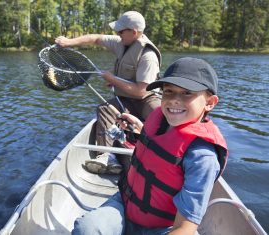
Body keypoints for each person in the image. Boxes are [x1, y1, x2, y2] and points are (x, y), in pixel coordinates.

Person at [71, 57, 229, 235]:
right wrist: (139, 129)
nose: (174, 100)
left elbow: (184, 228)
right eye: (168, 91)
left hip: (162, 227)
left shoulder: (203, 158)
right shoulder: (158, 120)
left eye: (187, 93)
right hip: (125, 205)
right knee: (86, 229)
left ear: (210, 103)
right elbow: (156, 150)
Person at [55, 11, 162, 174]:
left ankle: (164, 154)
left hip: (147, 98)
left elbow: (141, 91)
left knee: (162, 116)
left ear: (134, 32)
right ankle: (105, 156)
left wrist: (113, 79)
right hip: (126, 99)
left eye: (120, 31)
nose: (117, 35)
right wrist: (68, 42)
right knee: (104, 109)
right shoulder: (122, 43)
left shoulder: (148, 56)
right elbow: (96, 38)